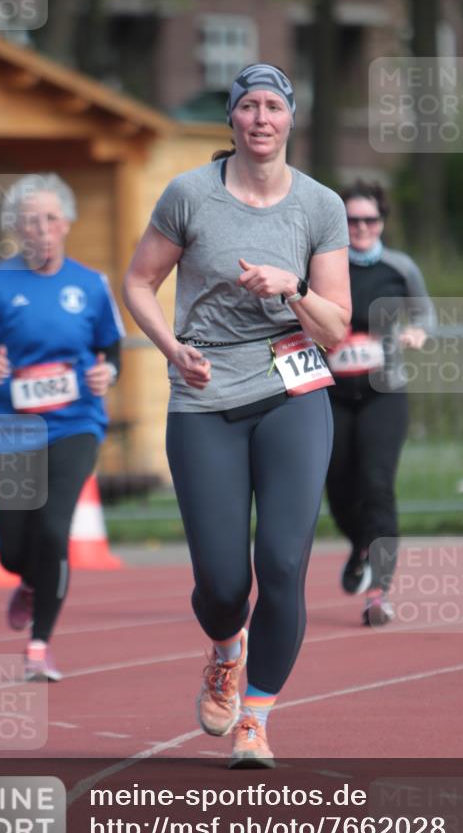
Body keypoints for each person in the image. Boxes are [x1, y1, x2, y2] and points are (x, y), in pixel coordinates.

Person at [122, 63, 350, 767]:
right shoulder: (189, 194)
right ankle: (225, 648)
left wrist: (292, 289)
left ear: (289, 118)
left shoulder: (319, 206)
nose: (259, 118)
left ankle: (255, 718)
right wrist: (171, 348)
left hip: (292, 391)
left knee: (281, 563)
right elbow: (137, 282)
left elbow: (336, 329)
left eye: (272, 107)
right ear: (231, 119)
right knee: (223, 585)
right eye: (247, 106)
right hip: (205, 397)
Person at [0, 173, 124, 680]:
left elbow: (110, 348)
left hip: (75, 424)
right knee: (12, 547)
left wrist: (107, 371)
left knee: (53, 530)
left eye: (50, 218)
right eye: (30, 220)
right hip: (8, 425)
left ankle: (39, 645)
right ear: (17, 229)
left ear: (66, 224)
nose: (42, 228)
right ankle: (28, 581)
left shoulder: (91, 284)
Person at [325, 181, 435, 627]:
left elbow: (425, 312)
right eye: (352, 220)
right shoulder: (324, 267)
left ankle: (379, 591)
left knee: (377, 484)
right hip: (331, 393)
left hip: (383, 392)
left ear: (382, 223)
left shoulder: (399, 267)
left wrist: (418, 332)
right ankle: (360, 545)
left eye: (370, 220)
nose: (361, 228)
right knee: (337, 487)